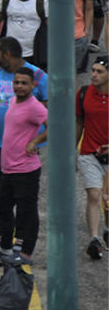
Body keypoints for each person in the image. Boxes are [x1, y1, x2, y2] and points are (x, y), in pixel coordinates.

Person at [0, 67, 46, 264]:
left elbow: (53, 124)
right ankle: (5, 246)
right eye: (17, 82)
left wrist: (35, 141)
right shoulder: (13, 100)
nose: (19, 86)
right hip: (8, 167)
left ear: (33, 85)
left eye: (24, 83)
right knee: (2, 206)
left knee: (27, 211)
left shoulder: (35, 107)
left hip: (26, 169)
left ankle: (26, 253)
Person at [76, 57, 108, 259]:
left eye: (99, 72)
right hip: (89, 153)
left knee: (107, 200)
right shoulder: (84, 93)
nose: (94, 75)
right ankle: (94, 239)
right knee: (95, 195)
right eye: (93, 71)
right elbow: (79, 121)